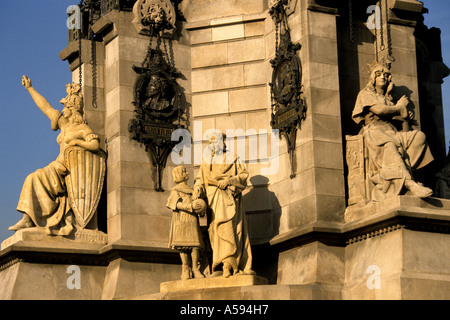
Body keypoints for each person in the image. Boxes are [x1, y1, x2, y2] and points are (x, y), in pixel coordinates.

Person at [8, 76, 100, 236]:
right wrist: (30, 88)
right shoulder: (64, 125)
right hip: (56, 167)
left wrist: (77, 143)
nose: (62, 109)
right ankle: (28, 217)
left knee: (33, 178)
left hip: (65, 170)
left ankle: (29, 218)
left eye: (65, 106)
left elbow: (95, 145)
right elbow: (46, 107)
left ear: (72, 109)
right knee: (33, 177)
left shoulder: (82, 128)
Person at [352, 60, 434, 201]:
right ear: (373, 78)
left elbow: (399, 122)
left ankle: (405, 173)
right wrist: (399, 107)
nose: (383, 77)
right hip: (375, 133)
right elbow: (379, 110)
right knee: (390, 146)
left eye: (386, 74)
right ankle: (409, 183)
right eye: (379, 74)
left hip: (392, 133)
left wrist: (405, 119)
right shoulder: (365, 94)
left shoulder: (389, 100)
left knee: (419, 136)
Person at [193, 131, 254, 278]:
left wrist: (229, 181)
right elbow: (200, 180)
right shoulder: (207, 162)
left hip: (229, 201)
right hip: (213, 203)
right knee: (215, 232)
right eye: (211, 143)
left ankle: (229, 265)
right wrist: (197, 189)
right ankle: (219, 265)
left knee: (230, 230)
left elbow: (243, 176)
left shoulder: (233, 158)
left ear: (222, 143)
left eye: (215, 142)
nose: (213, 145)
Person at [167, 165, 205, 280]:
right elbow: (174, 204)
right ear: (179, 175)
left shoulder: (192, 190)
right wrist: (189, 206)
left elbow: (198, 202)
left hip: (192, 219)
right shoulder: (175, 190)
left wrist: (200, 206)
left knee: (195, 245)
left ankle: (195, 268)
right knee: (182, 246)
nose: (187, 173)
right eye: (184, 171)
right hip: (181, 219)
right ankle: (185, 268)